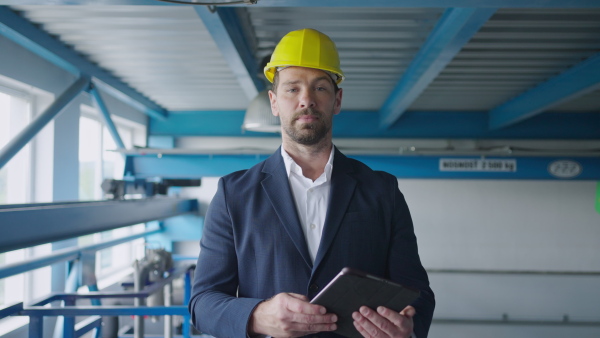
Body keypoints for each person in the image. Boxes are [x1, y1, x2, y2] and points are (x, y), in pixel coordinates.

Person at [188, 28, 435, 338]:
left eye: (319, 88)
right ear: (274, 102)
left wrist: (408, 329)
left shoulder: (382, 191)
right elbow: (202, 303)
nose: (307, 100)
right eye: (292, 89)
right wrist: (258, 315)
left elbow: (417, 292)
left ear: (337, 100)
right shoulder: (233, 194)